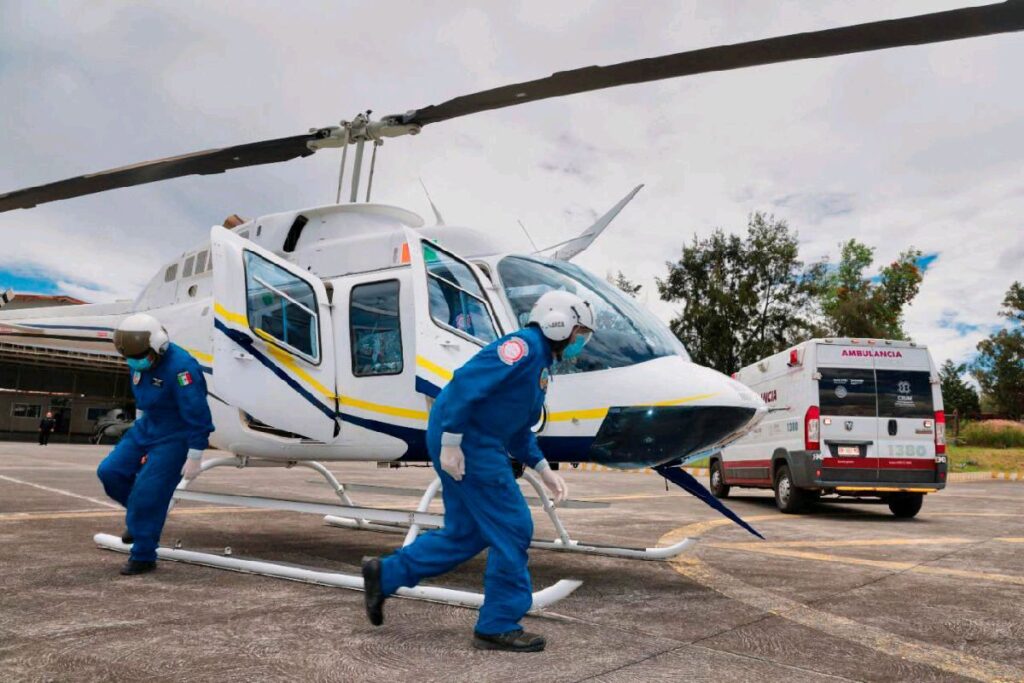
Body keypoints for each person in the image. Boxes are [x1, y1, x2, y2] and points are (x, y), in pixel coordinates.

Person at [362, 290, 595, 652]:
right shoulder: (523, 347)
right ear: (559, 322)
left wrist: (543, 468)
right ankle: (498, 623)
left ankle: (385, 574)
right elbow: (464, 384)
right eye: (580, 332)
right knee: (514, 526)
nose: (581, 342)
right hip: (469, 439)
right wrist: (452, 442)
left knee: (466, 533)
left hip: (474, 439)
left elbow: (517, 429)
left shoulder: (539, 364)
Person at [96, 313, 215, 575]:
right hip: (146, 426)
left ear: (159, 347)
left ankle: (144, 555)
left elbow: (197, 412)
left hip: (175, 434)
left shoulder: (182, 368)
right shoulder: (138, 356)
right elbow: (143, 395)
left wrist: (195, 454)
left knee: (150, 492)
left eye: (139, 358)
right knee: (109, 472)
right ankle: (139, 518)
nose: (134, 363)